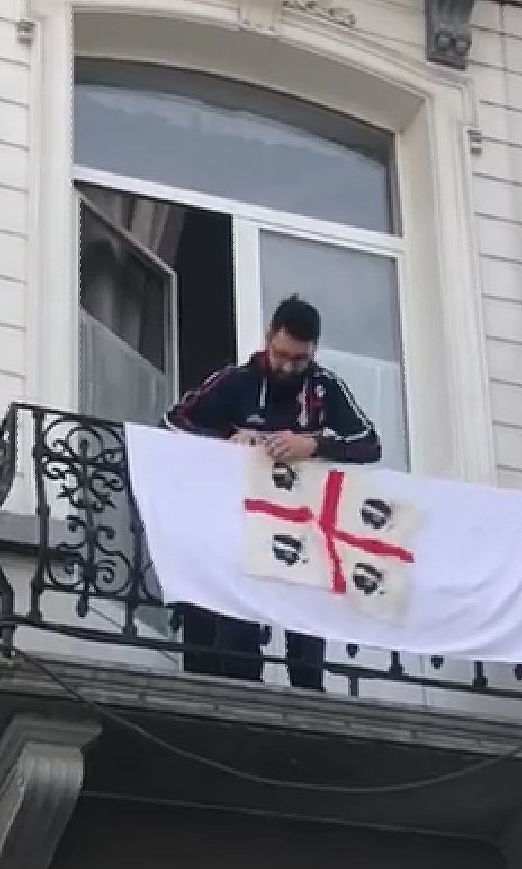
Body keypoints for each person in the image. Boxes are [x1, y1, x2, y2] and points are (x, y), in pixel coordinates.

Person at [162, 296, 383, 691]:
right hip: (237, 529)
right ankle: (242, 690)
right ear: (268, 339)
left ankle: (309, 700)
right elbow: (170, 425)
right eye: (281, 356)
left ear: (313, 351)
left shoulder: (325, 387)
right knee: (237, 632)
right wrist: (226, 442)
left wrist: (313, 445)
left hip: (301, 531)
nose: (287, 368)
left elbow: (370, 444)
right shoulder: (235, 382)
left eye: (299, 360)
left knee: (306, 638)